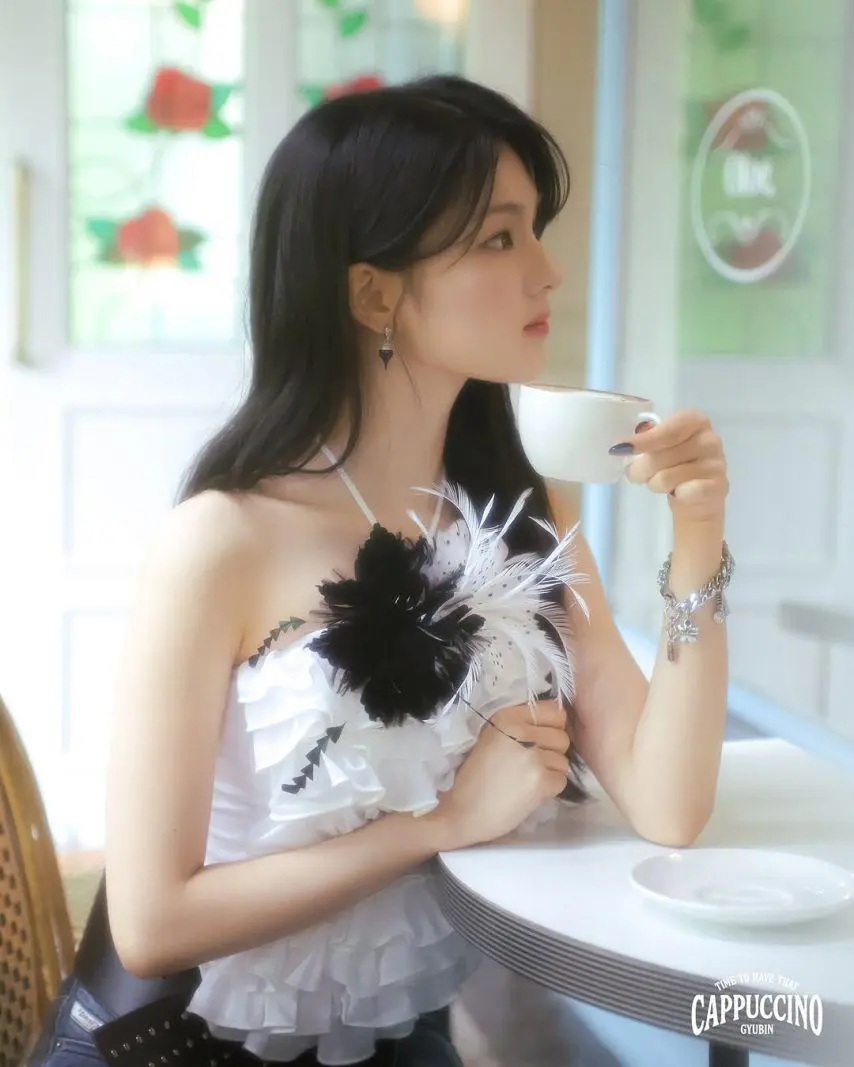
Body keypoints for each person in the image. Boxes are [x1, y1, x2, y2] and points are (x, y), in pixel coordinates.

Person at [29, 74, 731, 1067]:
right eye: (500, 238)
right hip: (179, 1045)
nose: (548, 272)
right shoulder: (221, 540)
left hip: (389, 1039)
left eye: (534, 231)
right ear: (373, 293)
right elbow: (151, 922)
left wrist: (696, 535)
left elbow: (667, 804)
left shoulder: (521, 504)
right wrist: (439, 822)